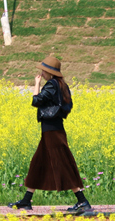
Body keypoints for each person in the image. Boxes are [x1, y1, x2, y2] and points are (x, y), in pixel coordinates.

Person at [9, 56, 90, 213]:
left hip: (52, 131)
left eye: (44, 71)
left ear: (50, 72)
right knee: (37, 164)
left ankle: (82, 200)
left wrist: (37, 84)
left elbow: (36, 101)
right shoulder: (61, 85)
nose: (42, 73)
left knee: (63, 165)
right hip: (52, 130)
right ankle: (26, 200)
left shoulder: (51, 85)